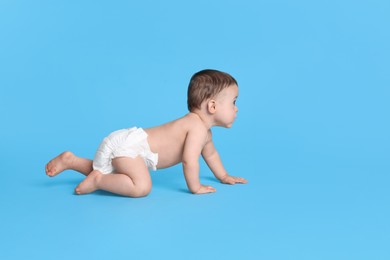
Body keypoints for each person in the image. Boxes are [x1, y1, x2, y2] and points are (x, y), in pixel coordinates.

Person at [45, 69, 248, 197]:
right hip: (132, 149)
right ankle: (98, 181)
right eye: (234, 102)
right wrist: (195, 187)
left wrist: (223, 176)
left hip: (127, 144)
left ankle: (71, 161)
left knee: (109, 169)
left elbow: (211, 155)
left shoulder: (205, 133)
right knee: (141, 187)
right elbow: (189, 161)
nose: (236, 108)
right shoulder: (195, 127)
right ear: (212, 106)